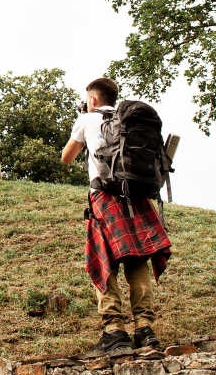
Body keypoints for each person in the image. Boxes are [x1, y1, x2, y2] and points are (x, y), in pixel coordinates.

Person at [61, 77, 171, 352]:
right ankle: (145, 329)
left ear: (92, 99)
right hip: (137, 195)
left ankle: (114, 330)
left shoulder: (86, 120)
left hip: (104, 196)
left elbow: (66, 157)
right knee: (137, 262)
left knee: (104, 260)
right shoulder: (128, 120)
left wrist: (83, 119)